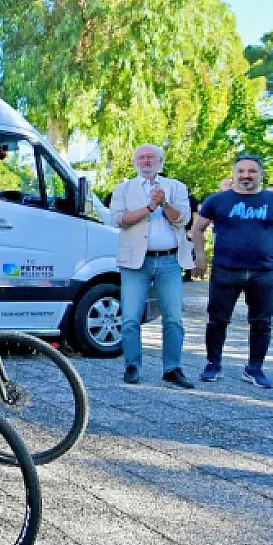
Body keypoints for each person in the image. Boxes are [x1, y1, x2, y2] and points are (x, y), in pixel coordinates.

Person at [188, 154, 273, 389]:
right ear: (234, 174)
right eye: (242, 171)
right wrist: (201, 258)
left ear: (261, 174)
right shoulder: (217, 200)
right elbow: (197, 230)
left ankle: (255, 368)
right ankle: (212, 364)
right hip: (226, 269)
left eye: (252, 171)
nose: (246, 175)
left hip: (263, 272)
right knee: (217, 320)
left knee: (262, 322)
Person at [109, 144, 194, 388]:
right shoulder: (124, 188)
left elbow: (184, 219)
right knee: (130, 317)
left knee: (174, 318)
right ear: (136, 162)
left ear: (160, 161)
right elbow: (119, 220)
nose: (146, 162)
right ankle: (132, 365)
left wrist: (164, 203)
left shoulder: (176, 187)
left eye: (151, 158)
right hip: (136, 261)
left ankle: (172, 368)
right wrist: (149, 208)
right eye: (142, 158)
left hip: (169, 260)